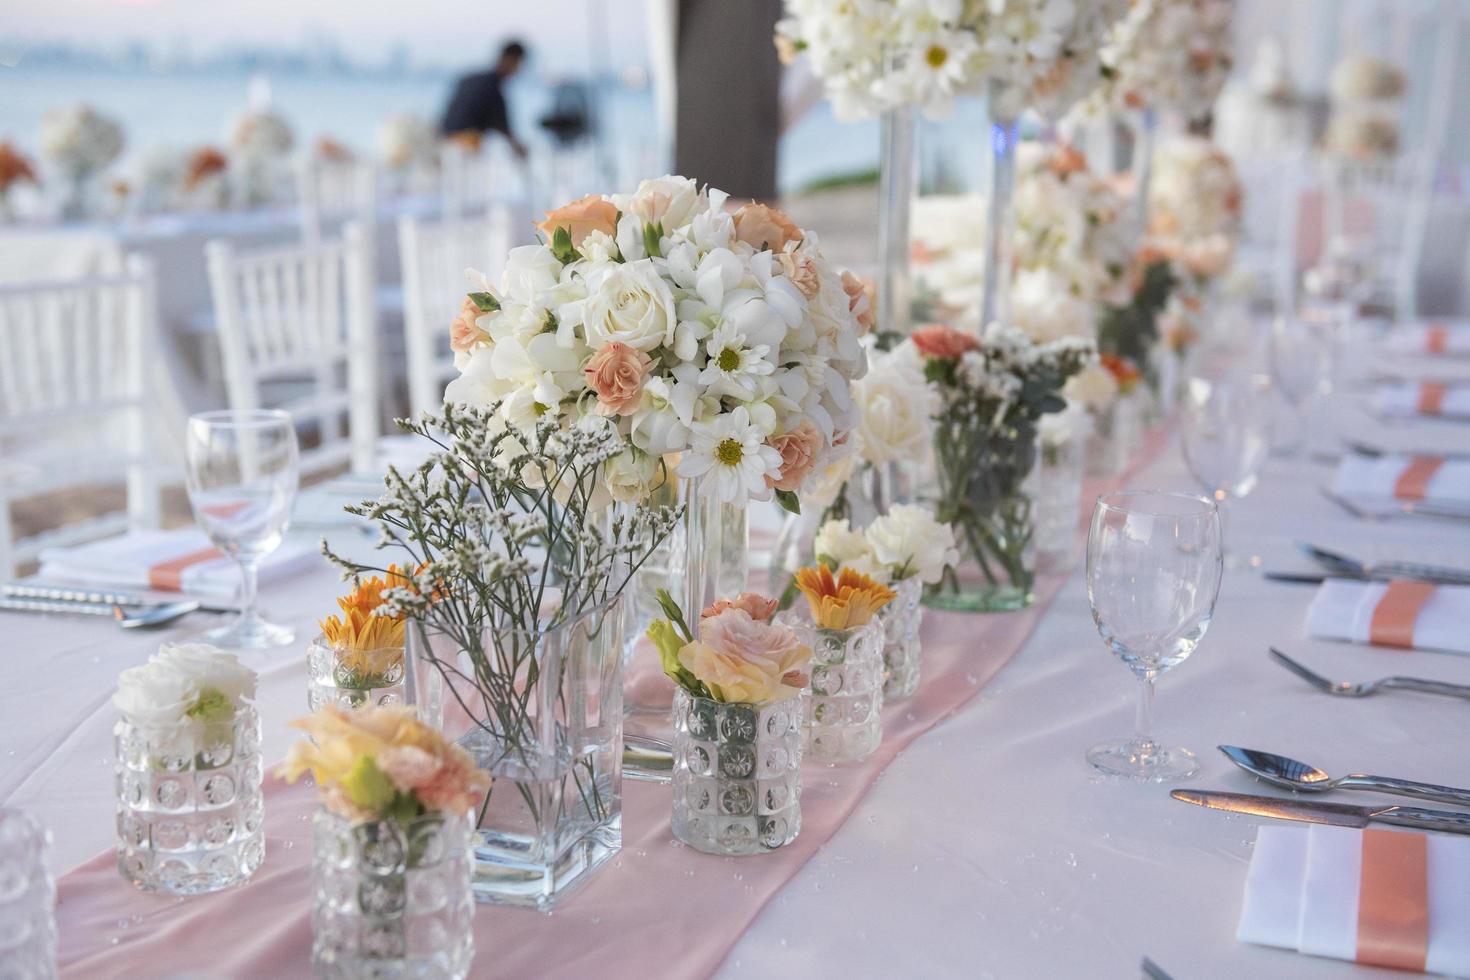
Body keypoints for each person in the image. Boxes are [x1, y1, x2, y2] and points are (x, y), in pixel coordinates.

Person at [441, 40, 528, 159]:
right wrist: (516, 145)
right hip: (465, 142)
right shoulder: (492, 87)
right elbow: (501, 123)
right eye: (518, 64)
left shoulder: (471, 79)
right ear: (512, 60)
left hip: (444, 139)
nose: (518, 70)